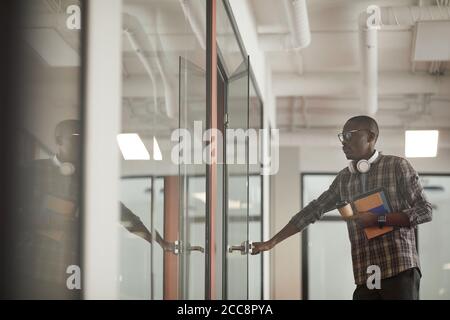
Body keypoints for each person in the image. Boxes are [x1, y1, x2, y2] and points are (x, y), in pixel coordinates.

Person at [252, 115, 432, 300]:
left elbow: (425, 210)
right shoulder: (344, 179)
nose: (343, 143)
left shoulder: (397, 166)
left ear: (370, 137)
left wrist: (379, 219)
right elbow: (313, 210)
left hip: (399, 268)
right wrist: (271, 242)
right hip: (366, 273)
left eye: (349, 135)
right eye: (342, 137)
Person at [16, 119, 172, 298]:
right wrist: (59, 217)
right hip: (34, 270)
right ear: (59, 141)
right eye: (76, 137)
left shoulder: (91, 179)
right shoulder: (31, 171)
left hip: (72, 274)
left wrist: (159, 242)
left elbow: (124, 215)